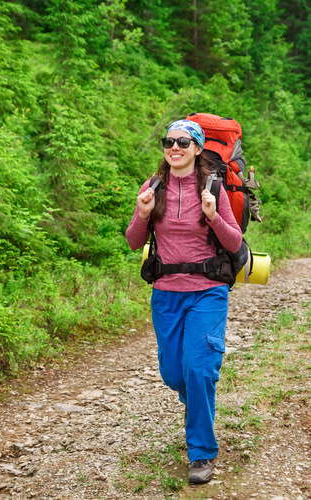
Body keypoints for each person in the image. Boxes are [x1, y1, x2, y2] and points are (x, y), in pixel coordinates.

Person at [125, 119, 242, 484]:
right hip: (166, 292)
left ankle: (201, 454)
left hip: (207, 290)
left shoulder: (212, 187)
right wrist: (143, 214)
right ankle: (197, 403)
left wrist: (213, 216)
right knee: (174, 373)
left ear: (196, 148)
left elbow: (235, 242)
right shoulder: (152, 187)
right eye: (168, 142)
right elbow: (133, 241)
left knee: (199, 368)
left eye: (183, 142)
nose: (174, 148)